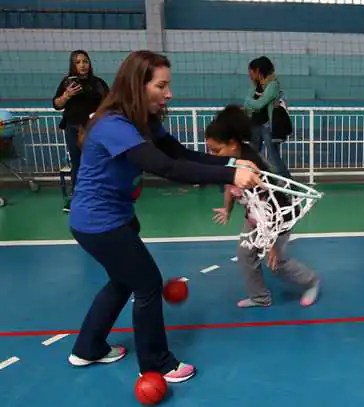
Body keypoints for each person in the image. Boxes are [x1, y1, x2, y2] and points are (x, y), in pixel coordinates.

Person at [67, 50, 261, 383]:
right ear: (137, 86)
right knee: (147, 284)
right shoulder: (114, 124)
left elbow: (180, 154)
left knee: (122, 281)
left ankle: (87, 348)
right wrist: (230, 177)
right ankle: (156, 362)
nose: (169, 94)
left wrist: (232, 163)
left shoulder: (144, 121)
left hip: (115, 216)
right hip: (98, 223)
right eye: (161, 86)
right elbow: (166, 167)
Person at [208, 105, 320, 308]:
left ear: (232, 144)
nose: (212, 154)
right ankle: (260, 297)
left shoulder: (254, 168)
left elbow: (269, 208)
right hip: (255, 214)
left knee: (277, 263)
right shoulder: (229, 160)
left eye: (216, 149)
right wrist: (227, 210)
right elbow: (228, 186)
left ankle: (312, 281)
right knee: (245, 254)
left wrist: (271, 246)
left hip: (278, 217)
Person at [52, 50, 110, 212]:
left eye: (85, 61)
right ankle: (79, 197)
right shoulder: (67, 83)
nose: (82, 65)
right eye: (78, 62)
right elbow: (56, 104)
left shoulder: (98, 83)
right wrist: (66, 96)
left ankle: (100, 195)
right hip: (73, 129)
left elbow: (110, 103)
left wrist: (99, 116)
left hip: (95, 130)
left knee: (98, 162)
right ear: (73, 65)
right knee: (77, 163)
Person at [244, 56, 292, 178]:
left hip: (268, 126)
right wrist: (250, 103)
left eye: (251, 72)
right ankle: (256, 181)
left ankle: (288, 184)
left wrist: (250, 101)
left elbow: (258, 104)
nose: (249, 75)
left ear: (258, 71)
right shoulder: (255, 86)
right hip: (254, 125)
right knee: (252, 155)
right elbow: (248, 106)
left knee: (273, 157)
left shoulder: (273, 85)